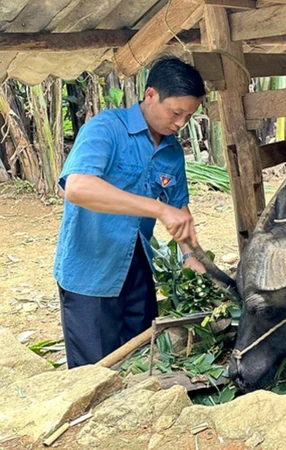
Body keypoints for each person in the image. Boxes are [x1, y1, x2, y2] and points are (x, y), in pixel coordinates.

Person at [54, 56, 208, 368]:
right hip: (91, 273)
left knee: (140, 363)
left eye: (189, 117)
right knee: (94, 373)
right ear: (151, 95)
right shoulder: (105, 129)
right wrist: (157, 208)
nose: (180, 123)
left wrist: (193, 256)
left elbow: (178, 208)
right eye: (176, 112)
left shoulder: (172, 149)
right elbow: (78, 187)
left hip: (137, 269)